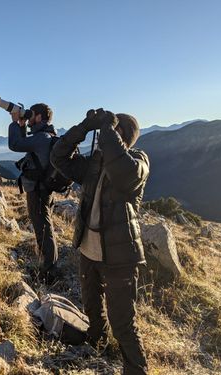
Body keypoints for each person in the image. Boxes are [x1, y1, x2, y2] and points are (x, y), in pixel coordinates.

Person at [50, 109, 150, 375]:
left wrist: (107, 129)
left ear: (123, 137)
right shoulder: (95, 162)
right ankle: (96, 339)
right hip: (89, 248)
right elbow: (58, 156)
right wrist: (85, 126)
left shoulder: (138, 162)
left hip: (120, 256)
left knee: (123, 323)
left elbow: (124, 173)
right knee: (92, 304)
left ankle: (136, 369)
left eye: (113, 133)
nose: (104, 140)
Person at [8, 103, 59, 283]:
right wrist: (22, 127)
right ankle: (47, 264)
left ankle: (48, 272)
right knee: (45, 226)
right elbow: (24, 145)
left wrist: (15, 123)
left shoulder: (41, 138)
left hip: (38, 190)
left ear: (38, 117)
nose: (29, 118)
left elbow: (14, 145)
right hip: (44, 189)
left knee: (43, 228)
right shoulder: (47, 135)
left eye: (31, 115)